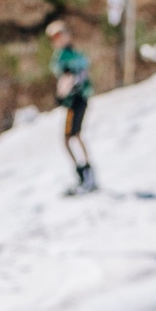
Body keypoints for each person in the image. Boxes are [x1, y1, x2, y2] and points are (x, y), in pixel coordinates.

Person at [46, 18, 95, 193]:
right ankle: (88, 174)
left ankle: (85, 176)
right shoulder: (76, 53)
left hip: (75, 100)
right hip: (80, 98)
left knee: (69, 137)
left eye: (59, 35)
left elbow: (68, 77)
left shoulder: (64, 57)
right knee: (75, 136)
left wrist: (61, 95)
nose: (57, 39)